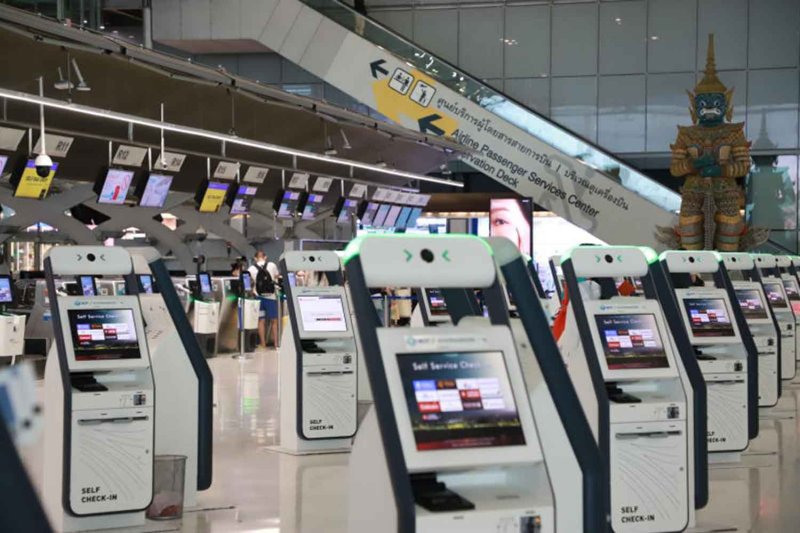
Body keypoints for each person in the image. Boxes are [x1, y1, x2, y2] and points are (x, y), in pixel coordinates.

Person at [248, 251, 280, 348]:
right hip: (271, 297)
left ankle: (263, 344)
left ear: (255, 258)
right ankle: (276, 344)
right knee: (274, 321)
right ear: (265, 257)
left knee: (260, 321)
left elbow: (250, 282)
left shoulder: (251, 269)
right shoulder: (272, 265)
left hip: (259, 298)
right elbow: (276, 276)